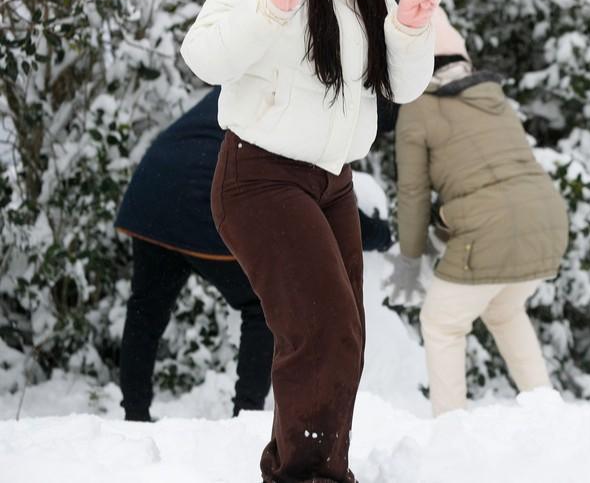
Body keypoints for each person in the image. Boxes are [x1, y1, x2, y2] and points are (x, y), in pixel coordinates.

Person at [179, 0, 437, 483]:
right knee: (323, 332)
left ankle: (312, 468)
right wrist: (270, 8)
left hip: (331, 183)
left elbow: (401, 88)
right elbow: (201, 55)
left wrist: (411, 28)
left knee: (341, 336)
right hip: (260, 178)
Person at [115, 87, 394, 423]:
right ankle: (246, 414)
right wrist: (381, 235)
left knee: (145, 311)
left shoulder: (251, 76)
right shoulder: (306, 104)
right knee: (261, 305)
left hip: (152, 190)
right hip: (201, 198)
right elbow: (325, 198)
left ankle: (134, 414)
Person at [390, 12, 568, 416]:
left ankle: (450, 428)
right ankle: (547, 412)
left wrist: (410, 260)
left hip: (491, 228)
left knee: (441, 324)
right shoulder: (491, 96)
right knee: (504, 310)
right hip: (548, 219)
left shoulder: (418, 107)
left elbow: (413, 193)